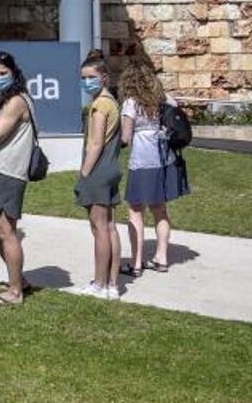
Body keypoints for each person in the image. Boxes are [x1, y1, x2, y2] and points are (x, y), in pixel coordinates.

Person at [117, 61, 188, 277]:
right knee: (160, 211)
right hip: (164, 159)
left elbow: (126, 138)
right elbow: (177, 114)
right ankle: (162, 257)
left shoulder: (131, 103)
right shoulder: (164, 99)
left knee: (135, 212)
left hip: (141, 161)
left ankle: (136, 263)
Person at [0, 51, 34, 305]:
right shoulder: (7, 100)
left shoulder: (16, 102)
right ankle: (17, 279)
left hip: (8, 174)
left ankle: (15, 292)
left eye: (3, 73)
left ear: (14, 73)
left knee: (6, 231)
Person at [74, 50, 122, 301]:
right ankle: (113, 285)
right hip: (111, 168)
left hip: (98, 170)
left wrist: (84, 173)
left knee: (99, 229)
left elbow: (95, 143)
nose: (86, 82)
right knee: (111, 228)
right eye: (82, 78)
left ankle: (100, 283)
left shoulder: (100, 105)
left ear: (104, 77)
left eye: (90, 77)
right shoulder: (113, 101)